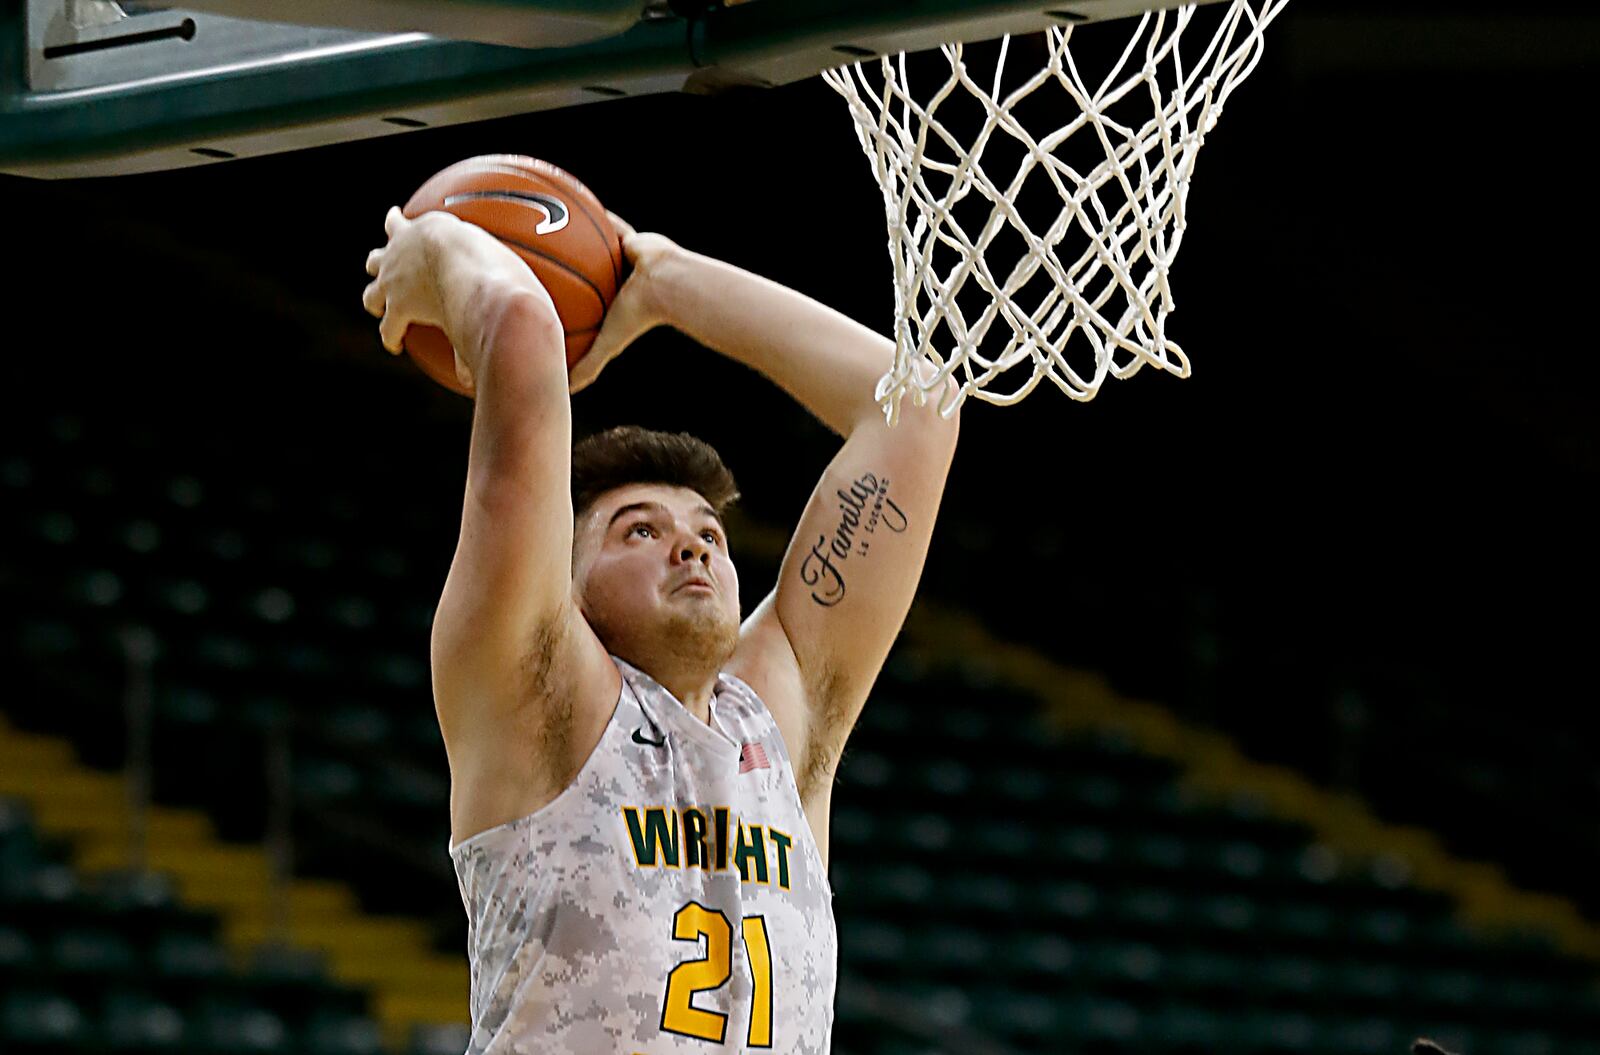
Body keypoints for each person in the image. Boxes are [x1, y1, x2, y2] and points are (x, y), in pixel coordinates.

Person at [362, 201, 959, 1052]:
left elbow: (918, 410)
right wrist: (438, 243)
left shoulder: (775, 729)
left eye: (708, 534)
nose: (690, 545)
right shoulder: (540, 703)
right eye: (639, 529)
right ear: (561, 583)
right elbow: (523, 324)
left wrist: (665, 282)